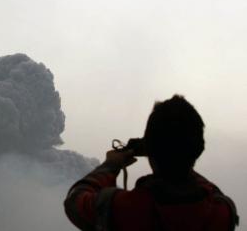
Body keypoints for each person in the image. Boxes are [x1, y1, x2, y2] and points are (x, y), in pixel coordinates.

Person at [64, 95, 239, 230]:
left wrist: (110, 166)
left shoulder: (125, 209)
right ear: (198, 149)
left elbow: (75, 200)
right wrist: (173, 152)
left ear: (150, 150)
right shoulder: (222, 213)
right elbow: (210, 190)